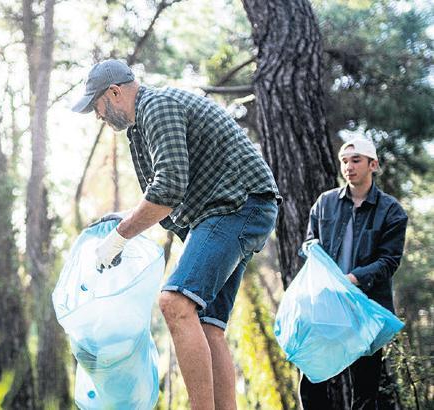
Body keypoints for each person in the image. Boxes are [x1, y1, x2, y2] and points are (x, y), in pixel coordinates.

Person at [72, 59, 281, 410]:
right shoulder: (141, 127)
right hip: (234, 209)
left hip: (236, 206)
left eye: (97, 105)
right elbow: (163, 194)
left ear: (115, 92)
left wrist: (121, 235)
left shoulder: (157, 106)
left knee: (175, 303)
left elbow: (168, 190)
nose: (97, 115)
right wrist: (122, 220)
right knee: (208, 325)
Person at [300, 138, 408, 409]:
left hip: (366, 309)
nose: (348, 166)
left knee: (365, 389)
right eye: (344, 161)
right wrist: (316, 257)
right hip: (327, 305)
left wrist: (352, 279)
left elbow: (389, 261)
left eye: (356, 160)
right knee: (312, 382)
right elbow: (310, 243)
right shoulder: (324, 203)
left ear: (373, 165)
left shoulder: (392, 211)